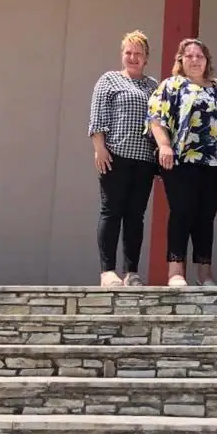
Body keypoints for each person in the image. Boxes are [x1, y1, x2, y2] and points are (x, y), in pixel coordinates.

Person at [147, 38, 217, 287]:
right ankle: (175, 271)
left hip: (215, 162)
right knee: (182, 212)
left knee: (206, 216)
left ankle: (205, 274)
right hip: (181, 160)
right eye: (190, 56)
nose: (195, 60)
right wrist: (164, 145)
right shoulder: (172, 85)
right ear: (181, 60)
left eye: (200, 56)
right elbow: (155, 118)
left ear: (207, 61)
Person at [87, 30, 159, 287]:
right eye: (128, 52)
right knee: (111, 211)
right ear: (122, 55)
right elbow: (98, 116)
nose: (133, 57)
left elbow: (159, 122)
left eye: (138, 53)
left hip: (144, 160)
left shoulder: (153, 86)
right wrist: (100, 148)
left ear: (146, 57)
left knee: (135, 216)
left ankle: (131, 272)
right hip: (114, 157)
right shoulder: (109, 80)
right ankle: (107, 271)